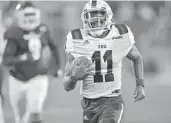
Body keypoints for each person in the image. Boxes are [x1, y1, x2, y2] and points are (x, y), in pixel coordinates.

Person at [63, 0, 145, 123]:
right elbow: (66, 85)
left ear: (108, 16)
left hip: (112, 100)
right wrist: (74, 78)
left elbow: (136, 57)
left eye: (99, 14)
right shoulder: (76, 39)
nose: (95, 19)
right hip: (88, 103)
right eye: (91, 15)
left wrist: (140, 84)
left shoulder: (120, 34)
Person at [2, 1, 60, 123]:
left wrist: (57, 67)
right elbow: (6, 60)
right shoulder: (14, 32)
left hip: (38, 76)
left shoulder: (43, 30)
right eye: (26, 15)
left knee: (35, 112)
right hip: (17, 78)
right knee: (21, 119)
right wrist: (22, 58)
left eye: (31, 14)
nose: (29, 18)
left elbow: (54, 48)